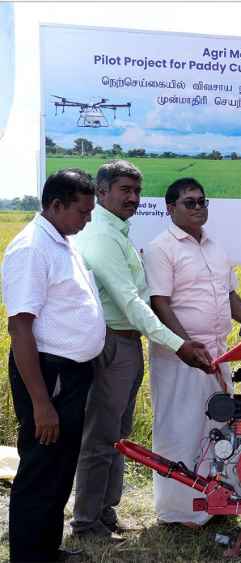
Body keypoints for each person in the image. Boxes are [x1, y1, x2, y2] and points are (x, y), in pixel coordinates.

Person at [70, 161, 213, 540]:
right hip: (112, 343)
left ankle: (105, 513)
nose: (133, 197)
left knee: (118, 433)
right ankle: (86, 522)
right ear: (101, 193)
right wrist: (178, 344)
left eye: (136, 190)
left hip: (127, 343)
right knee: (102, 437)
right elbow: (132, 303)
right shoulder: (101, 236)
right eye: (124, 190)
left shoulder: (117, 232)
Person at [143, 178, 241, 527]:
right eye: (189, 203)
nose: (198, 208)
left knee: (219, 427)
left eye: (202, 202)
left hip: (216, 352)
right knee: (181, 429)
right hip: (181, 354)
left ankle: (217, 502)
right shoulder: (161, 249)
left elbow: (230, 296)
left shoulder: (215, 247)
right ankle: (180, 511)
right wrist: (185, 344)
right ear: (170, 208)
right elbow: (159, 304)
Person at [2, 169, 106, 562]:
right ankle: (29, 556)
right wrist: (41, 403)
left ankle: (45, 548)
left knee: (60, 467)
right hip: (49, 374)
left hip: (70, 374)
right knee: (41, 467)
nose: (88, 219)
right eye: (83, 211)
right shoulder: (31, 249)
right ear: (56, 205)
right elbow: (20, 328)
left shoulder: (61, 241)